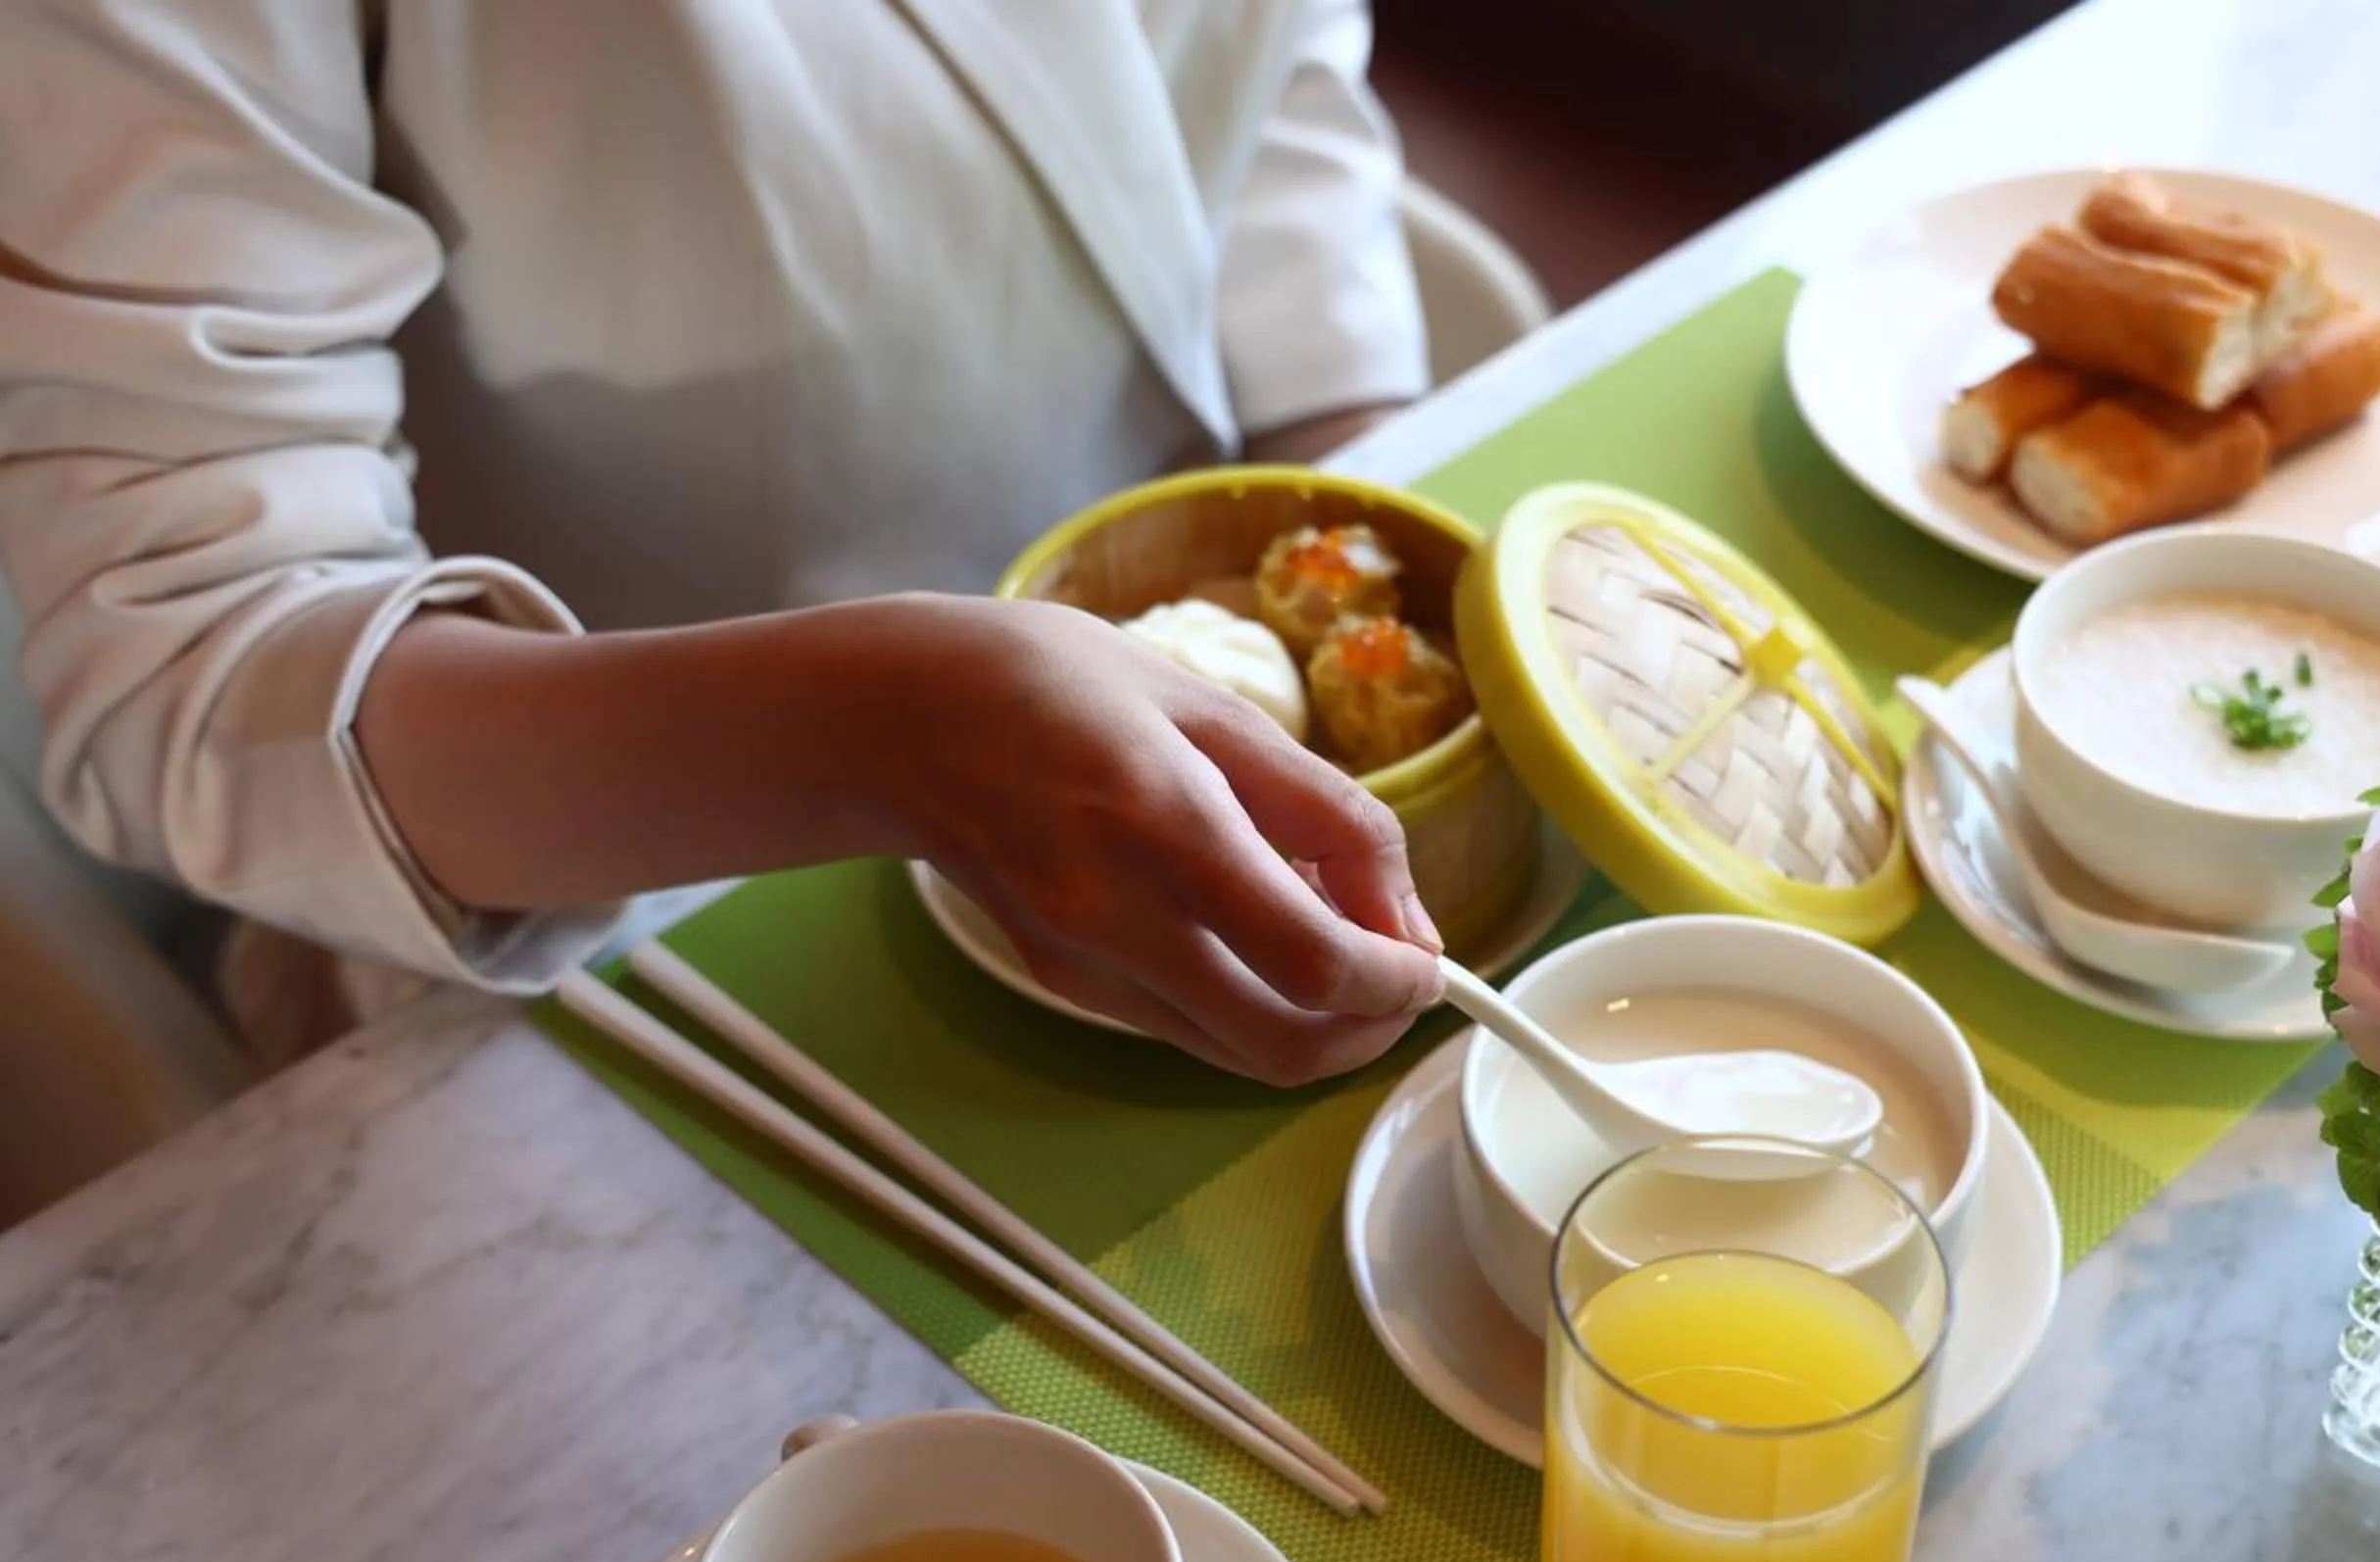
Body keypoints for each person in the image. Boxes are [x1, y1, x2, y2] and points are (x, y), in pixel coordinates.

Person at [0, 0, 1449, 1088]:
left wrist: (1355, 469)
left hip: (1230, 718)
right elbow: (192, 662)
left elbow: (1259, 76)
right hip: (606, 920)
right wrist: (880, 737)